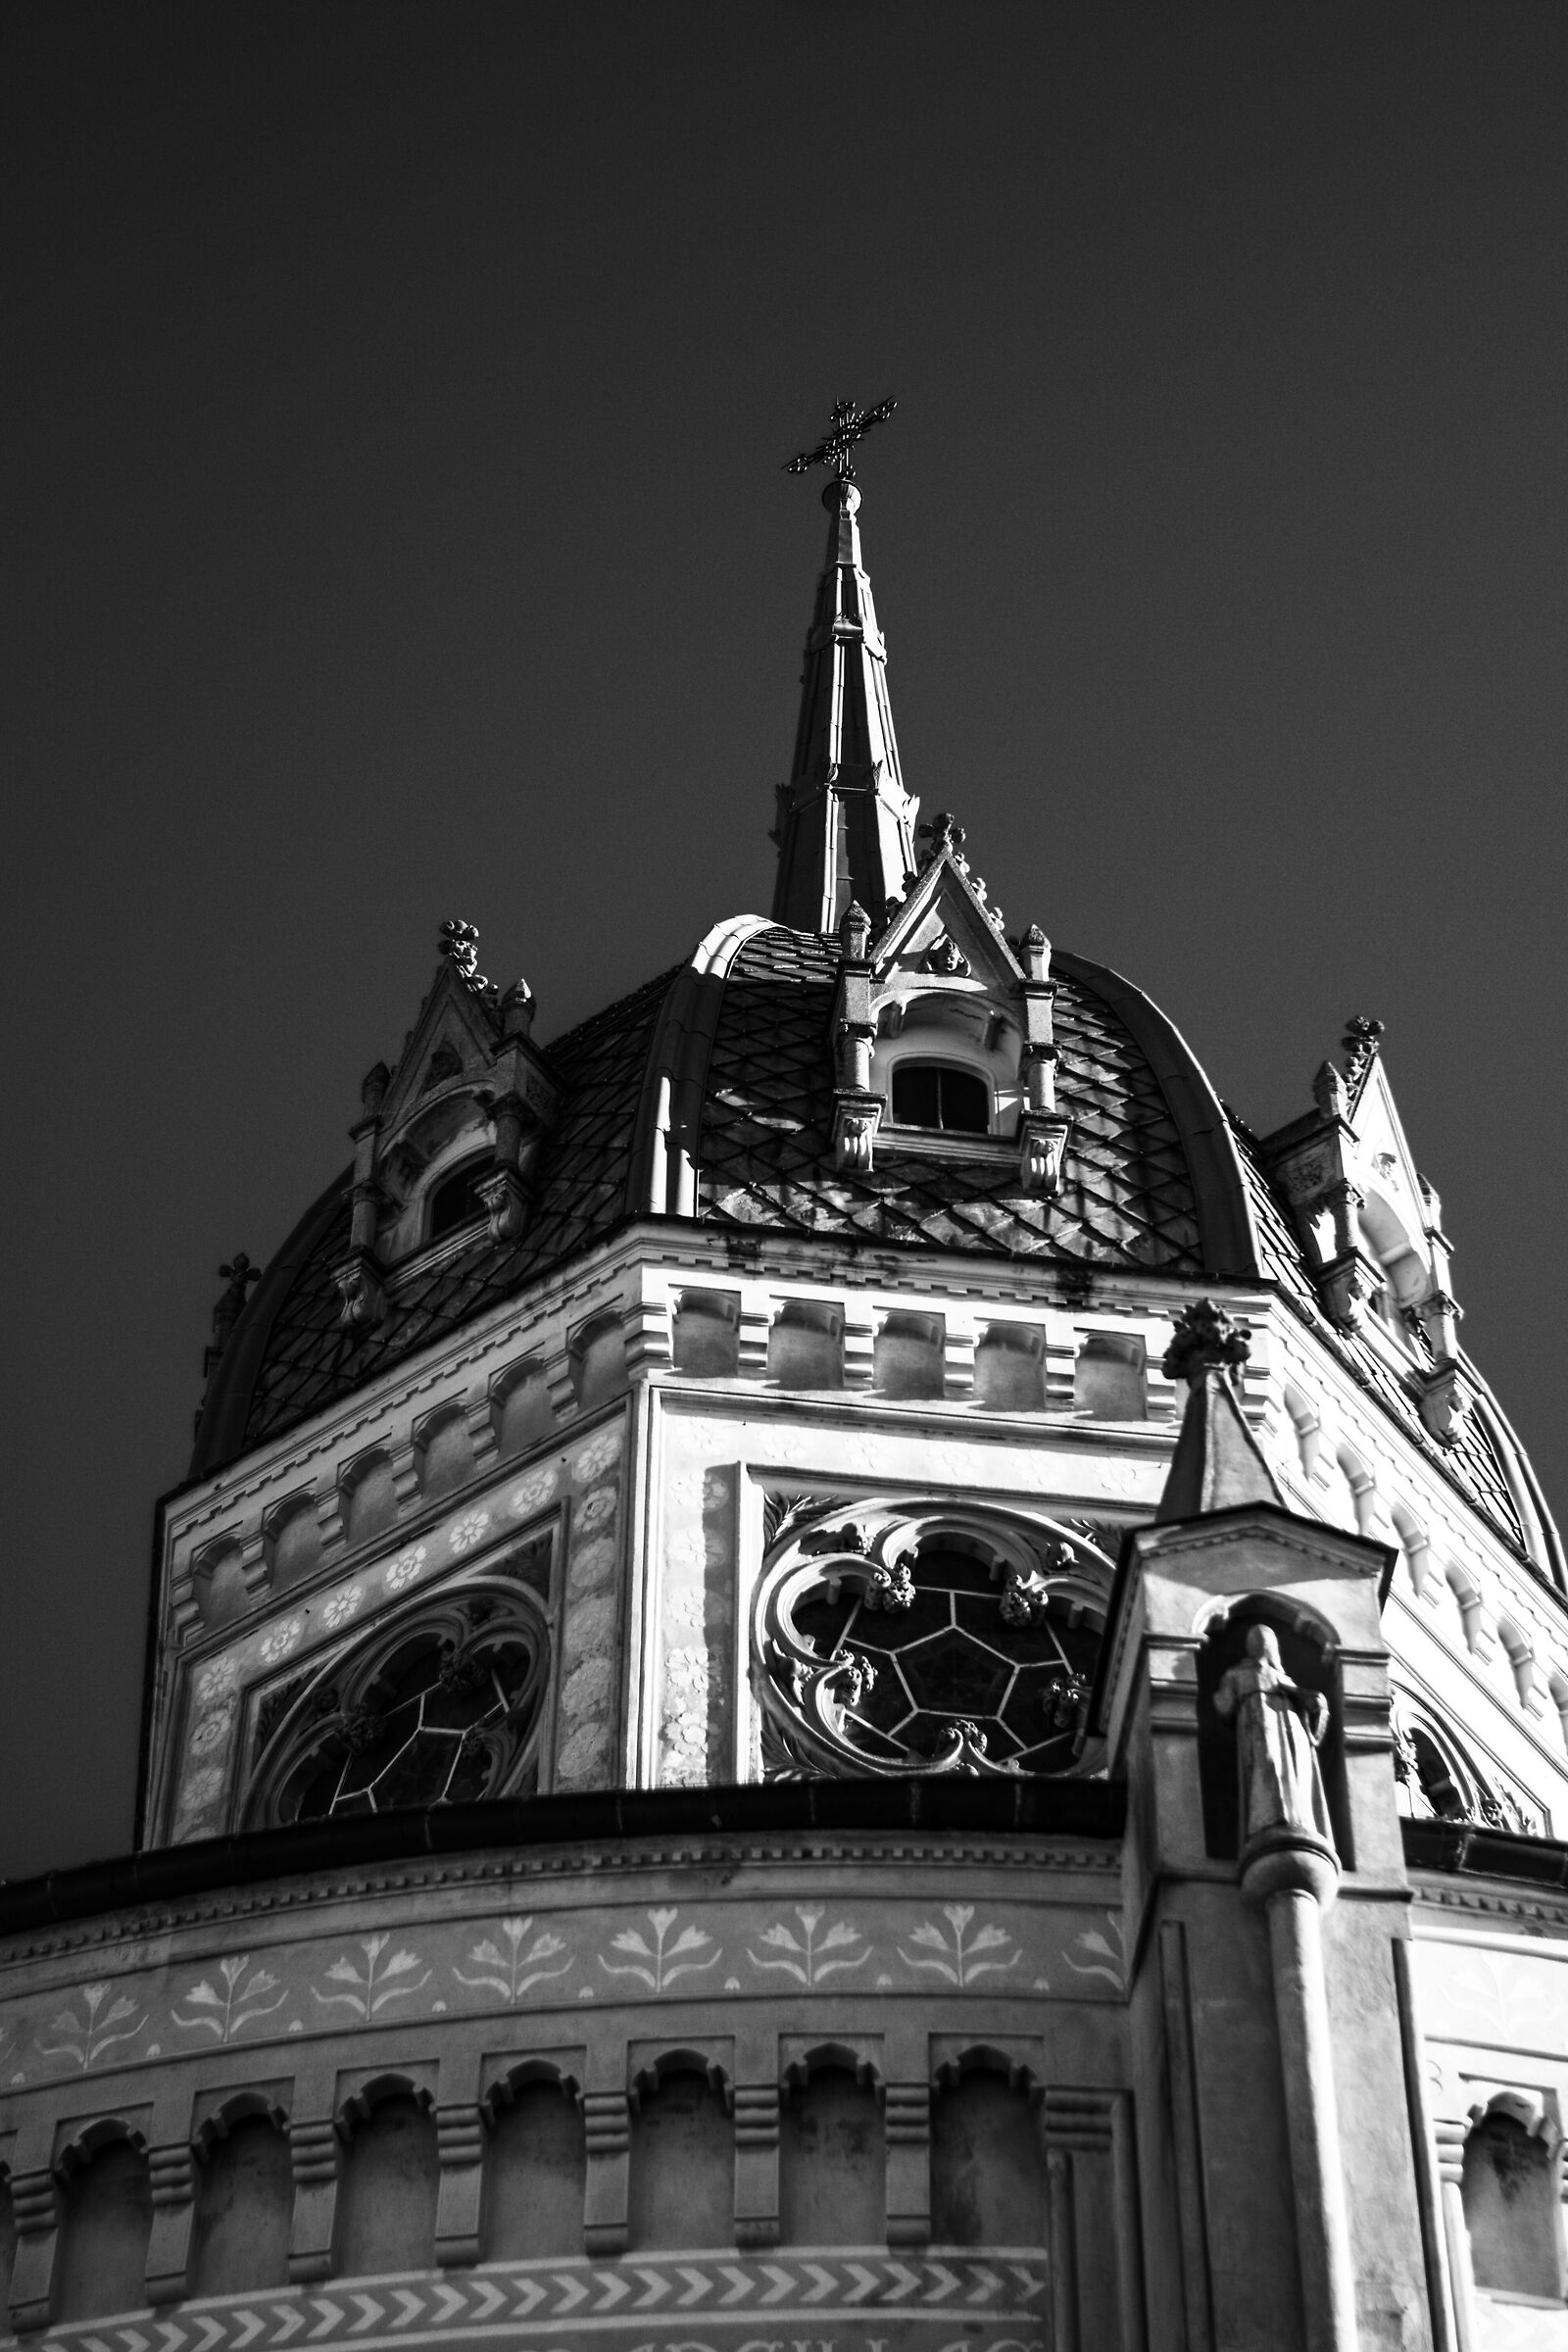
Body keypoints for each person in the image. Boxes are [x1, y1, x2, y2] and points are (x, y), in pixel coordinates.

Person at [1213, 1623, 1335, 1855]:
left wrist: (1314, 1702)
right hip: (1257, 1726)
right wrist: (1221, 1697)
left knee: (1297, 1776)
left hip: (1291, 1728)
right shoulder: (1236, 1674)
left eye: (1265, 1640)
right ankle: (1267, 1822)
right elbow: (1225, 1708)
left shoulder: (1283, 1677)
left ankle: (1297, 1824)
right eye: (1256, 1638)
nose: (1261, 1643)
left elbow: (1311, 1710)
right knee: (1267, 1766)